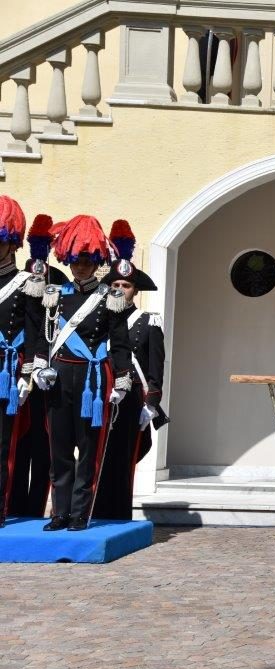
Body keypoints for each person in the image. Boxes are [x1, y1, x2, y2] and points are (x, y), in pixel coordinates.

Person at [33, 215, 132, 531]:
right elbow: (44, 335)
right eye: (76, 261)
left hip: (93, 379)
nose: (81, 268)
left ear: (96, 262)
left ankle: (79, 514)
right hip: (60, 377)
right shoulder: (56, 294)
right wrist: (39, 366)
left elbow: (119, 343)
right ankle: (59, 512)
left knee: (88, 450)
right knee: (59, 449)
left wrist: (122, 378)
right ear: (68, 260)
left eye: (87, 261)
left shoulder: (110, 297)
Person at [92, 220, 167, 521]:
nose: (120, 289)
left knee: (123, 457)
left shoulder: (148, 322)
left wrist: (151, 404)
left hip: (132, 397)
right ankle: (93, 511)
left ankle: (119, 514)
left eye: (126, 285)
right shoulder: (98, 320)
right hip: (99, 395)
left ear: (135, 291)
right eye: (115, 285)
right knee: (95, 454)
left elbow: (155, 366)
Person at [8, 214, 67, 519]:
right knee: (14, 445)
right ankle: (14, 504)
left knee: (42, 450)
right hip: (14, 372)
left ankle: (33, 508)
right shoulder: (17, 284)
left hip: (42, 376)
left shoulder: (51, 283)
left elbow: (47, 329)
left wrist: (36, 367)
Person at [0, 197, 45, 526]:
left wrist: (27, 373)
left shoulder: (26, 284)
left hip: (8, 373)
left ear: (12, 243)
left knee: (3, 445)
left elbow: (35, 333)